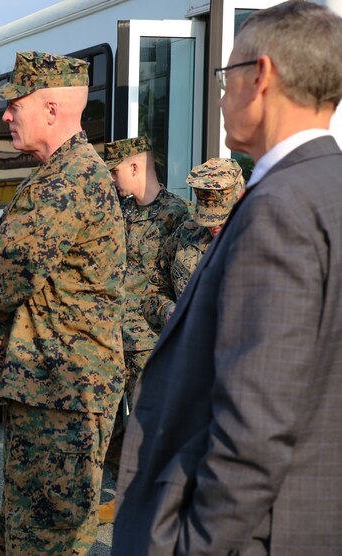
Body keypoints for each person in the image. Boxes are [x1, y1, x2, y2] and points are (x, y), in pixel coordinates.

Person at [113, 2, 342, 554]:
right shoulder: (325, 187)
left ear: (259, 77)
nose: (219, 96)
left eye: (225, 76)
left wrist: (198, 542)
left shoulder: (278, 208)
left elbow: (255, 421)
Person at [0, 51, 126, 555]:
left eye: (14, 104)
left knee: (43, 542)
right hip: (52, 389)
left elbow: (1, 278)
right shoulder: (60, 175)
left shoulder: (67, 181)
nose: (6, 114)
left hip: (61, 393)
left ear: (51, 109)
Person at [99, 136, 188, 511]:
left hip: (148, 342)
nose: (113, 179)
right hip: (107, 336)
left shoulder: (177, 215)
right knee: (105, 425)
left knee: (150, 425)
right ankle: (126, 491)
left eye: (116, 171)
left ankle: (152, 500)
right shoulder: (117, 210)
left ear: (135, 167)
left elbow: (179, 280)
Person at [142, 158, 244, 332]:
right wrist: (167, 312)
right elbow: (154, 291)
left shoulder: (263, 240)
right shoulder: (186, 234)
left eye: (221, 217)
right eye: (208, 217)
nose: (213, 225)